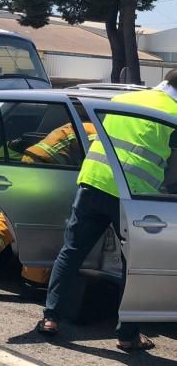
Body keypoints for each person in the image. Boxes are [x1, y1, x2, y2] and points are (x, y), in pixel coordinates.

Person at [37, 75, 177, 351]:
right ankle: (127, 335)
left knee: (72, 251)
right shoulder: (173, 113)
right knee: (134, 265)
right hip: (133, 194)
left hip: (94, 182)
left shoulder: (123, 99)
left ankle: (51, 318)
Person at [0, 122, 97, 290]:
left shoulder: (87, 126)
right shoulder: (100, 135)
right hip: (46, 168)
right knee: (43, 225)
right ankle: (34, 280)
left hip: (35, 162)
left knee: (16, 216)